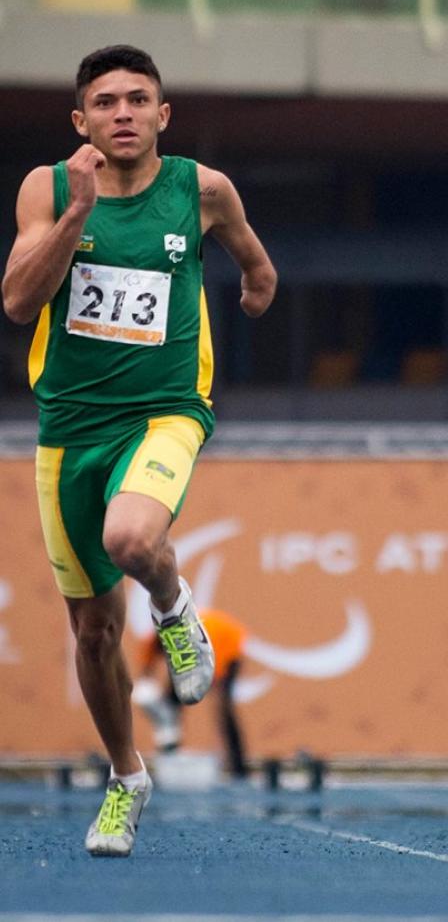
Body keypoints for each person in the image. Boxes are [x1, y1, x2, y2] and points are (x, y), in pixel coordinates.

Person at [1, 45, 277, 854]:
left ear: (164, 114)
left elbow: (256, 265)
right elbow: (18, 300)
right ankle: (127, 776)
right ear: (80, 120)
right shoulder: (48, 189)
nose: (124, 112)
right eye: (107, 102)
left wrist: (257, 288)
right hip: (70, 430)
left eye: (139, 99)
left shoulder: (204, 189)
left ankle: (173, 605)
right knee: (91, 630)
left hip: (165, 411)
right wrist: (77, 214)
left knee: (131, 537)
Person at [133, 606, 250, 778]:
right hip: (199, 647)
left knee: (224, 708)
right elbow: (146, 672)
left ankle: (238, 766)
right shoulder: (156, 639)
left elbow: (212, 679)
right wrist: (157, 709)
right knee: (171, 703)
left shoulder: (201, 642)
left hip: (227, 645)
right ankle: (170, 755)